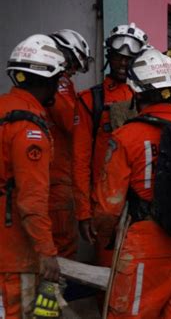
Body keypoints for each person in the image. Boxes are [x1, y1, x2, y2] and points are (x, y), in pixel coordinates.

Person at [93, 49, 171, 318]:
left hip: (146, 250)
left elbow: (107, 209)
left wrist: (104, 237)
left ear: (136, 92)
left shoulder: (126, 136)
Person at [0, 34, 65, 317]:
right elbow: (31, 198)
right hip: (14, 253)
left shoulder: (3, 110)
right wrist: (46, 252)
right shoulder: (29, 127)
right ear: (47, 79)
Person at [72, 23, 148, 260]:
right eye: (118, 57)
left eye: (129, 58)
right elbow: (80, 159)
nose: (123, 63)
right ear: (109, 57)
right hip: (105, 205)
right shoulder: (91, 100)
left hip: (141, 206)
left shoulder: (147, 98)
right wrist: (83, 212)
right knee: (107, 280)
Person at [47, 29, 92, 258]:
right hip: (55, 180)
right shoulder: (59, 83)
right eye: (73, 63)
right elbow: (69, 121)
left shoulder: (41, 84)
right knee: (62, 248)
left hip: (44, 178)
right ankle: (52, 294)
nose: (73, 71)